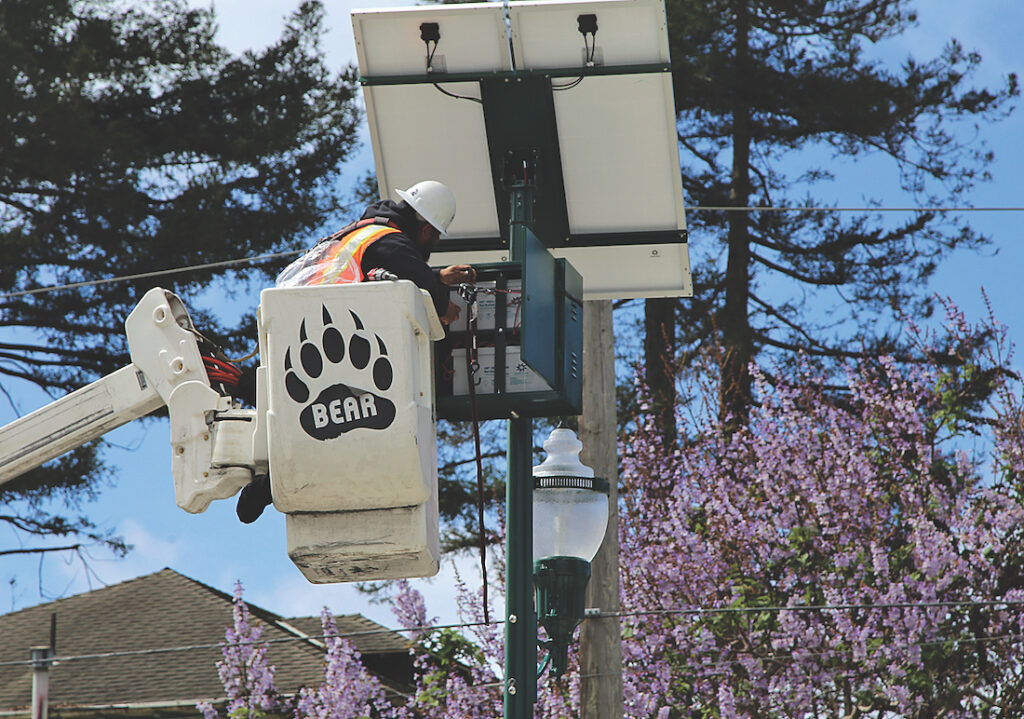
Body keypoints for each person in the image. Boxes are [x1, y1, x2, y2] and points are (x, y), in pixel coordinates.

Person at [236, 180, 475, 524]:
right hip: (334, 332)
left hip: (299, 331)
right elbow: (428, 293)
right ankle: (275, 484)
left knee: (324, 424)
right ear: (425, 229)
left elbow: (394, 275)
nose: (433, 244)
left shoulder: (363, 233)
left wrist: (437, 278)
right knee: (361, 427)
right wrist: (444, 305)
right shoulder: (393, 243)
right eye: (435, 237)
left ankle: (274, 483)